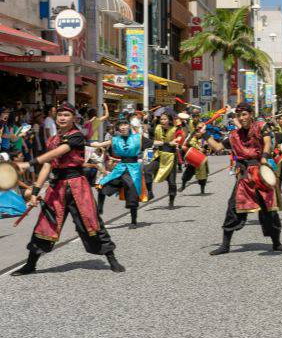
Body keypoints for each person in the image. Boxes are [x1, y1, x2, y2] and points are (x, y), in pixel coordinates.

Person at [12, 102, 124, 276]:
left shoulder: (77, 136)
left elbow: (58, 152)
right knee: (45, 223)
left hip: (77, 185)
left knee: (91, 221)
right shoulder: (51, 140)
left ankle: (111, 258)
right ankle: (30, 265)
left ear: (74, 119)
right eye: (60, 115)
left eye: (66, 115)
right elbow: (48, 165)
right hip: (56, 188)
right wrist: (35, 192)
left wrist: (29, 163)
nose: (62, 118)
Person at [202, 102, 282, 255]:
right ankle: (225, 245)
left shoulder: (260, 126)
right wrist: (204, 134)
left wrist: (264, 156)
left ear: (250, 114)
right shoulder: (234, 135)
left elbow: (268, 141)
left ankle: (277, 243)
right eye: (239, 115)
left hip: (260, 173)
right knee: (233, 208)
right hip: (244, 175)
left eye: (244, 114)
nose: (241, 118)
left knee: (269, 211)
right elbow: (218, 148)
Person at [94, 118, 152, 228]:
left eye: (125, 124)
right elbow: (99, 144)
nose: (123, 127)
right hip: (120, 168)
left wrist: (168, 143)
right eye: (121, 125)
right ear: (118, 128)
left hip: (133, 169)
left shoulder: (138, 138)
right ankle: (100, 209)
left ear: (129, 126)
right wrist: (85, 142)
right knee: (102, 184)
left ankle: (133, 221)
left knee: (132, 193)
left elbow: (154, 143)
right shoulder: (115, 139)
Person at [150, 112, 181, 208]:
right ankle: (149, 192)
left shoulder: (175, 129)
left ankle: (171, 200)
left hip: (171, 157)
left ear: (170, 120)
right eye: (161, 119)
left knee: (172, 181)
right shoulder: (157, 128)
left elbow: (180, 137)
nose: (162, 121)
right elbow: (151, 139)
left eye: (165, 119)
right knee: (147, 170)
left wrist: (177, 141)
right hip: (158, 155)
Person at [180, 123, 209, 195]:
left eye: (200, 128)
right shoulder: (192, 136)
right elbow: (187, 144)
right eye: (198, 128)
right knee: (187, 174)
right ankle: (183, 185)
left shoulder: (206, 137)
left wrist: (205, 148)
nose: (198, 130)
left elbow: (209, 148)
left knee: (202, 176)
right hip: (193, 157)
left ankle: (202, 189)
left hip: (201, 158)